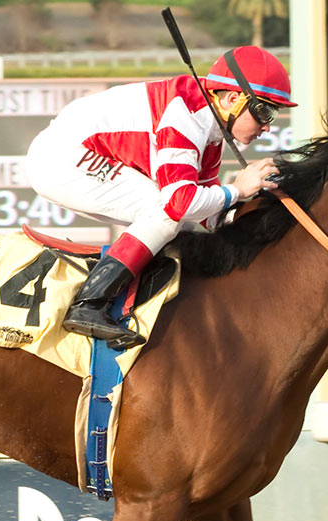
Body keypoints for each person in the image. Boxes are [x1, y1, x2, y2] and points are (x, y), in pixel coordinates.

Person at [25, 46, 296, 349]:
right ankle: (89, 304)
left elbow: (205, 213)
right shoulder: (186, 118)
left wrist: (252, 211)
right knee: (165, 213)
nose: (268, 125)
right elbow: (181, 204)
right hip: (62, 158)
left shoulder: (210, 129)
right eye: (265, 110)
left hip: (72, 153)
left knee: (175, 218)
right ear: (233, 99)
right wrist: (238, 189)